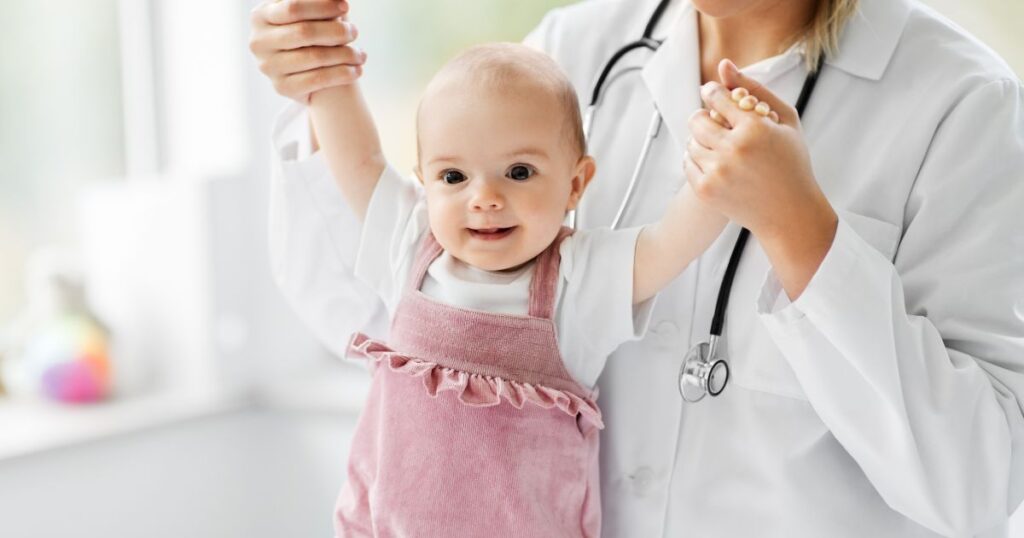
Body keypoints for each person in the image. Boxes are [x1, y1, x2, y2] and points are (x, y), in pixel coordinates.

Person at [249, 0, 1024, 536]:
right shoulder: (570, 53)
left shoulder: (965, 104)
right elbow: (377, 309)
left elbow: (975, 485)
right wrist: (319, 81)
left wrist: (803, 234)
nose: (484, 199)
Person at [305, 22, 755, 529]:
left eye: (519, 172)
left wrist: (726, 163)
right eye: (453, 177)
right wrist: (324, 58)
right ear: (425, 181)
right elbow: (359, 158)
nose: (485, 197)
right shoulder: (409, 244)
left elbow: (668, 244)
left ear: (575, 184)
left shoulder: (577, 281)